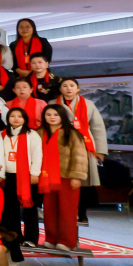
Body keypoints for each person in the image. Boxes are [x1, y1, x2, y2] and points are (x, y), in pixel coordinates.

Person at [55, 77, 108, 225]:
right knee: (63, 181)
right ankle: (63, 212)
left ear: (78, 88)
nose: (68, 88)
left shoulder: (88, 104)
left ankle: (82, 213)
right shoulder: (53, 104)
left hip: (84, 145)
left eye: (72, 85)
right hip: (61, 144)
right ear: (60, 89)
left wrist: (101, 151)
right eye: (65, 86)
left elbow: (98, 127)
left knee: (82, 181)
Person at [39, 103, 88, 251]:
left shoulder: (71, 133)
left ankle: (66, 241)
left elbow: (79, 156)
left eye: (56, 115)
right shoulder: (40, 133)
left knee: (67, 210)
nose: (52, 117)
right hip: (46, 177)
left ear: (62, 117)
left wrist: (76, 176)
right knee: (49, 210)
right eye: (48, 114)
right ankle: (51, 238)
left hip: (67, 177)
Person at [2, 107, 42, 244]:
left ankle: (31, 238)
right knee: (10, 208)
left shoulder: (32, 134)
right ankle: (15, 236)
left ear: (25, 119)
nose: (16, 119)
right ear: (8, 118)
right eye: (12, 116)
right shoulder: (3, 134)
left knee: (29, 208)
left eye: (20, 116)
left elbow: (37, 155)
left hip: (26, 176)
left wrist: (35, 173)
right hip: (9, 176)